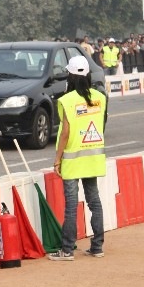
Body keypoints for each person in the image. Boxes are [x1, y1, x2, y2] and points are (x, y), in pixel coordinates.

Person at [48, 55, 107, 261]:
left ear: (70, 76)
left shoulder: (66, 100)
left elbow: (65, 132)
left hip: (72, 160)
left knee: (71, 205)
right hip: (93, 158)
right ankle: (97, 246)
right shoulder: (100, 97)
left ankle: (67, 250)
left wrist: (57, 159)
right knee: (94, 202)